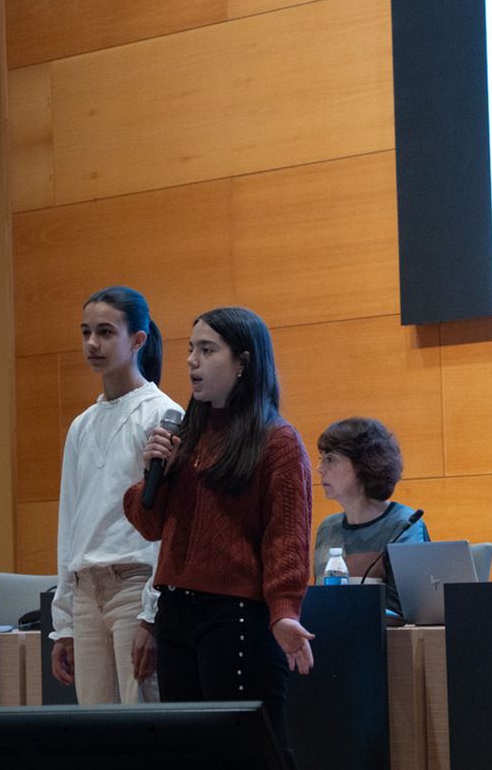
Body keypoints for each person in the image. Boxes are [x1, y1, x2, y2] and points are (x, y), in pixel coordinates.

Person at [123, 306, 313, 766]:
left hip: (236, 616)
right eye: (191, 349)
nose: (192, 360)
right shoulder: (183, 436)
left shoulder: (277, 441)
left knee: (252, 752)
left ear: (243, 362)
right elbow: (150, 525)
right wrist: (156, 475)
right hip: (175, 612)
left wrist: (284, 612)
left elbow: (286, 538)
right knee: (190, 751)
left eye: (207, 350)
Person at [49, 286, 182, 705]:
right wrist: (64, 622)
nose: (92, 343)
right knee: (96, 730)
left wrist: (151, 613)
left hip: (134, 586)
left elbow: (167, 524)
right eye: (86, 332)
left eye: (105, 332)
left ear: (137, 340)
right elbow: (70, 523)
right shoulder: (81, 425)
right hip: (87, 592)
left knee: (142, 720)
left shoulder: (162, 414)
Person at [312, 417, 429, 612]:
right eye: (321, 458)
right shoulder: (327, 528)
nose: (319, 468)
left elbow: (407, 610)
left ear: (362, 464)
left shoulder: (403, 524)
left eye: (330, 459)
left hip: (386, 631)